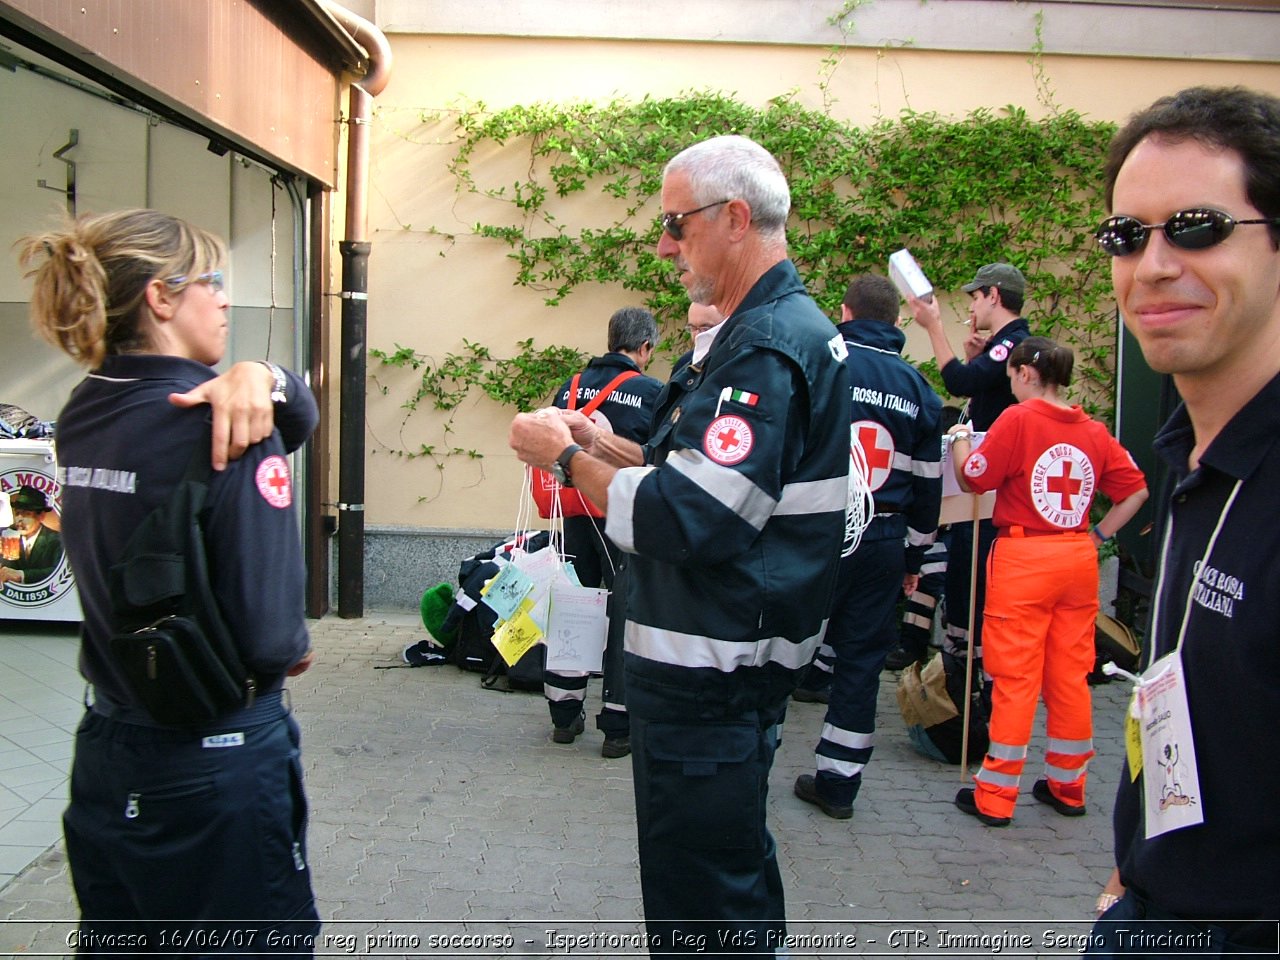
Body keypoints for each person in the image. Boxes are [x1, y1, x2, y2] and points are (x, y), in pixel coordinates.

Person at [509, 134, 850, 956]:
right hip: (720, 673)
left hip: (712, 679)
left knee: (704, 896)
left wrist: (560, 457)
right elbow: (694, 475)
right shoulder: (762, 334)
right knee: (723, 869)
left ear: (735, 219)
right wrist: (600, 440)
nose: (664, 245)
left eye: (676, 223)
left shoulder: (764, 346)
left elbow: (687, 517)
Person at [17, 208, 321, 953]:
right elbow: (271, 636)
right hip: (214, 761)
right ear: (160, 298)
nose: (223, 298)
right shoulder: (225, 428)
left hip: (108, 747)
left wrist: (265, 376)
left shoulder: (85, 410)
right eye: (211, 281)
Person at [1084, 86, 1280, 952]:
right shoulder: (1192, 458)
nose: (1154, 263)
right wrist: (1136, 867)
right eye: (1128, 236)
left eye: (1196, 226)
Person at [945, 337, 1147, 828]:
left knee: (1015, 678)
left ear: (1026, 374)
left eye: (1012, 375)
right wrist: (1097, 535)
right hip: (1076, 557)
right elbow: (1136, 491)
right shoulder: (1094, 431)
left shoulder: (1018, 419)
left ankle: (995, 794)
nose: (1010, 384)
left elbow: (975, 478)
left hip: (1024, 557)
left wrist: (961, 442)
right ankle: (1068, 784)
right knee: (1070, 675)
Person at [791, 273, 942, 820]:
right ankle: (839, 782)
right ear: (898, 323)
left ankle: (751, 763)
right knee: (859, 663)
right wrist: (916, 557)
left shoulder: (819, 364)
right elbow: (929, 488)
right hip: (884, 540)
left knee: (782, 646)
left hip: (815, 530)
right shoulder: (918, 389)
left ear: (845, 312)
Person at [908, 264, 1033, 718]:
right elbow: (979, 383)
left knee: (970, 577)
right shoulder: (1007, 346)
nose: (973, 306)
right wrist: (976, 356)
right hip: (984, 486)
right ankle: (966, 679)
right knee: (964, 573)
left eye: (977, 298)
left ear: (994, 296)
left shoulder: (1012, 341)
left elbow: (958, 382)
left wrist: (933, 325)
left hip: (986, 490)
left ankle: (970, 694)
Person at [544, 306, 662, 757]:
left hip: (573, 512)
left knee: (575, 604)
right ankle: (617, 725)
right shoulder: (652, 392)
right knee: (622, 612)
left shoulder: (569, 388)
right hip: (620, 515)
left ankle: (563, 712)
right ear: (645, 347)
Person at [0, 486, 64, 585]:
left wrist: (22, 575)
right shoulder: (8, 536)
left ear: (41, 516)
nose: (19, 519)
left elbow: (57, 571)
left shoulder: (56, 540)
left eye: (26, 514)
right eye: (17, 513)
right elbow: (6, 569)